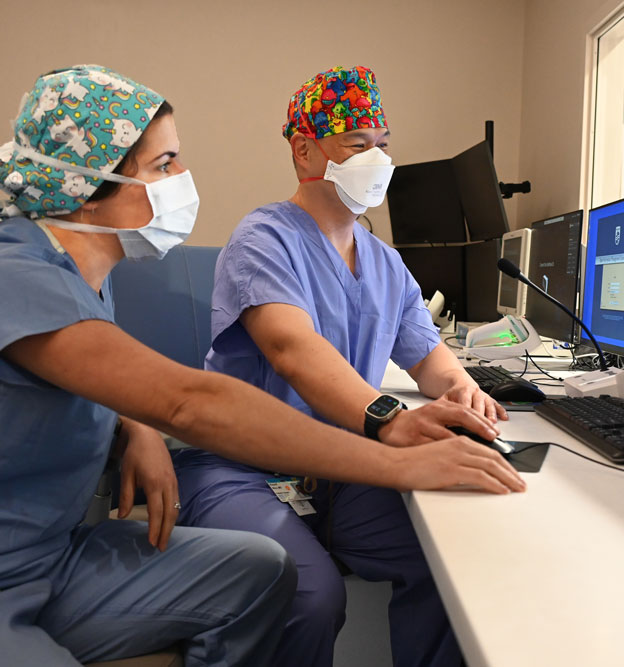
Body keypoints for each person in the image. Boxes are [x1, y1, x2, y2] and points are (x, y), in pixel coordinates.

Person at [0, 65, 525, 667]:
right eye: (164, 165)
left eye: (383, 145)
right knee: (308, 592)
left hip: (58, 557)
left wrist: (135, 423)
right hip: (228, 476)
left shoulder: (84, 279)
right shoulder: (18, 274)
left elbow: (98, 370)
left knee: (446, 557)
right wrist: (388, 436)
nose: (182, 181)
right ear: (85, 186)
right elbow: (202, 395)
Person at [172, 66, 511, 667]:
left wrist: (466, 392)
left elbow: (431, 359)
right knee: (307, 595)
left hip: (342, 470)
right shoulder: (264, 239)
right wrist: (386, 418)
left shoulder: (384, 262)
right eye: (358, 144)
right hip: (244, 468)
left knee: (458, 561)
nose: (377, 159)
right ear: (305, 150)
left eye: (382, 145)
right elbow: (291, 350)